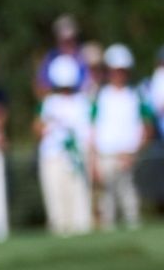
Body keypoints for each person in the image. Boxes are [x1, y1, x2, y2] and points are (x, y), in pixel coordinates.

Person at [90, 44, 154, 230]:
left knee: (130, 203)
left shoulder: (137, 95)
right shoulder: (100, 96)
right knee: (107, 205)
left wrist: (135, 153)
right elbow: (92, 129)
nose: (118, 75)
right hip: (106, 156)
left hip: (129, 156)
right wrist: (93, 159)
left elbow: (147, 128)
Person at [35, 53, 92, 236]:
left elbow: (88, 131)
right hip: (53, 156)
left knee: (79, 201)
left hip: (76, 157)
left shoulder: (82, 102)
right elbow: (38, 127)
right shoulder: (49, 103)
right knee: (57, 201)